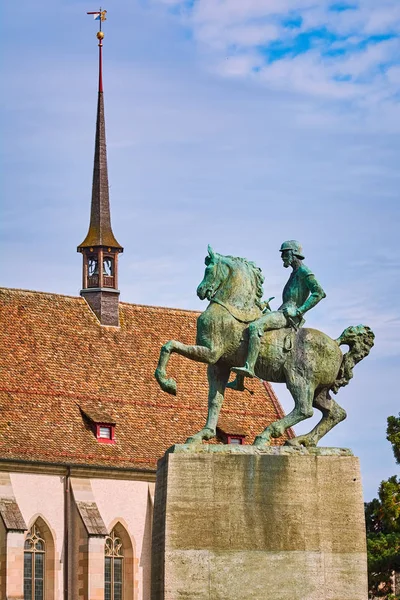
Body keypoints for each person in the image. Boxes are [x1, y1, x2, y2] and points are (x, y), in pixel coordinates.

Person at [231, 240, 326, 380]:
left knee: (255, 327)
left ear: (294, 253)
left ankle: (249, 367)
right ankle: (239, 381)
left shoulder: (304, 272)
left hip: (289, 315)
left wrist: (299, 311)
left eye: (285, 253)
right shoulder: (295, 272)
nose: (282, 257)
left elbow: (319, 293)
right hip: (282, 311)